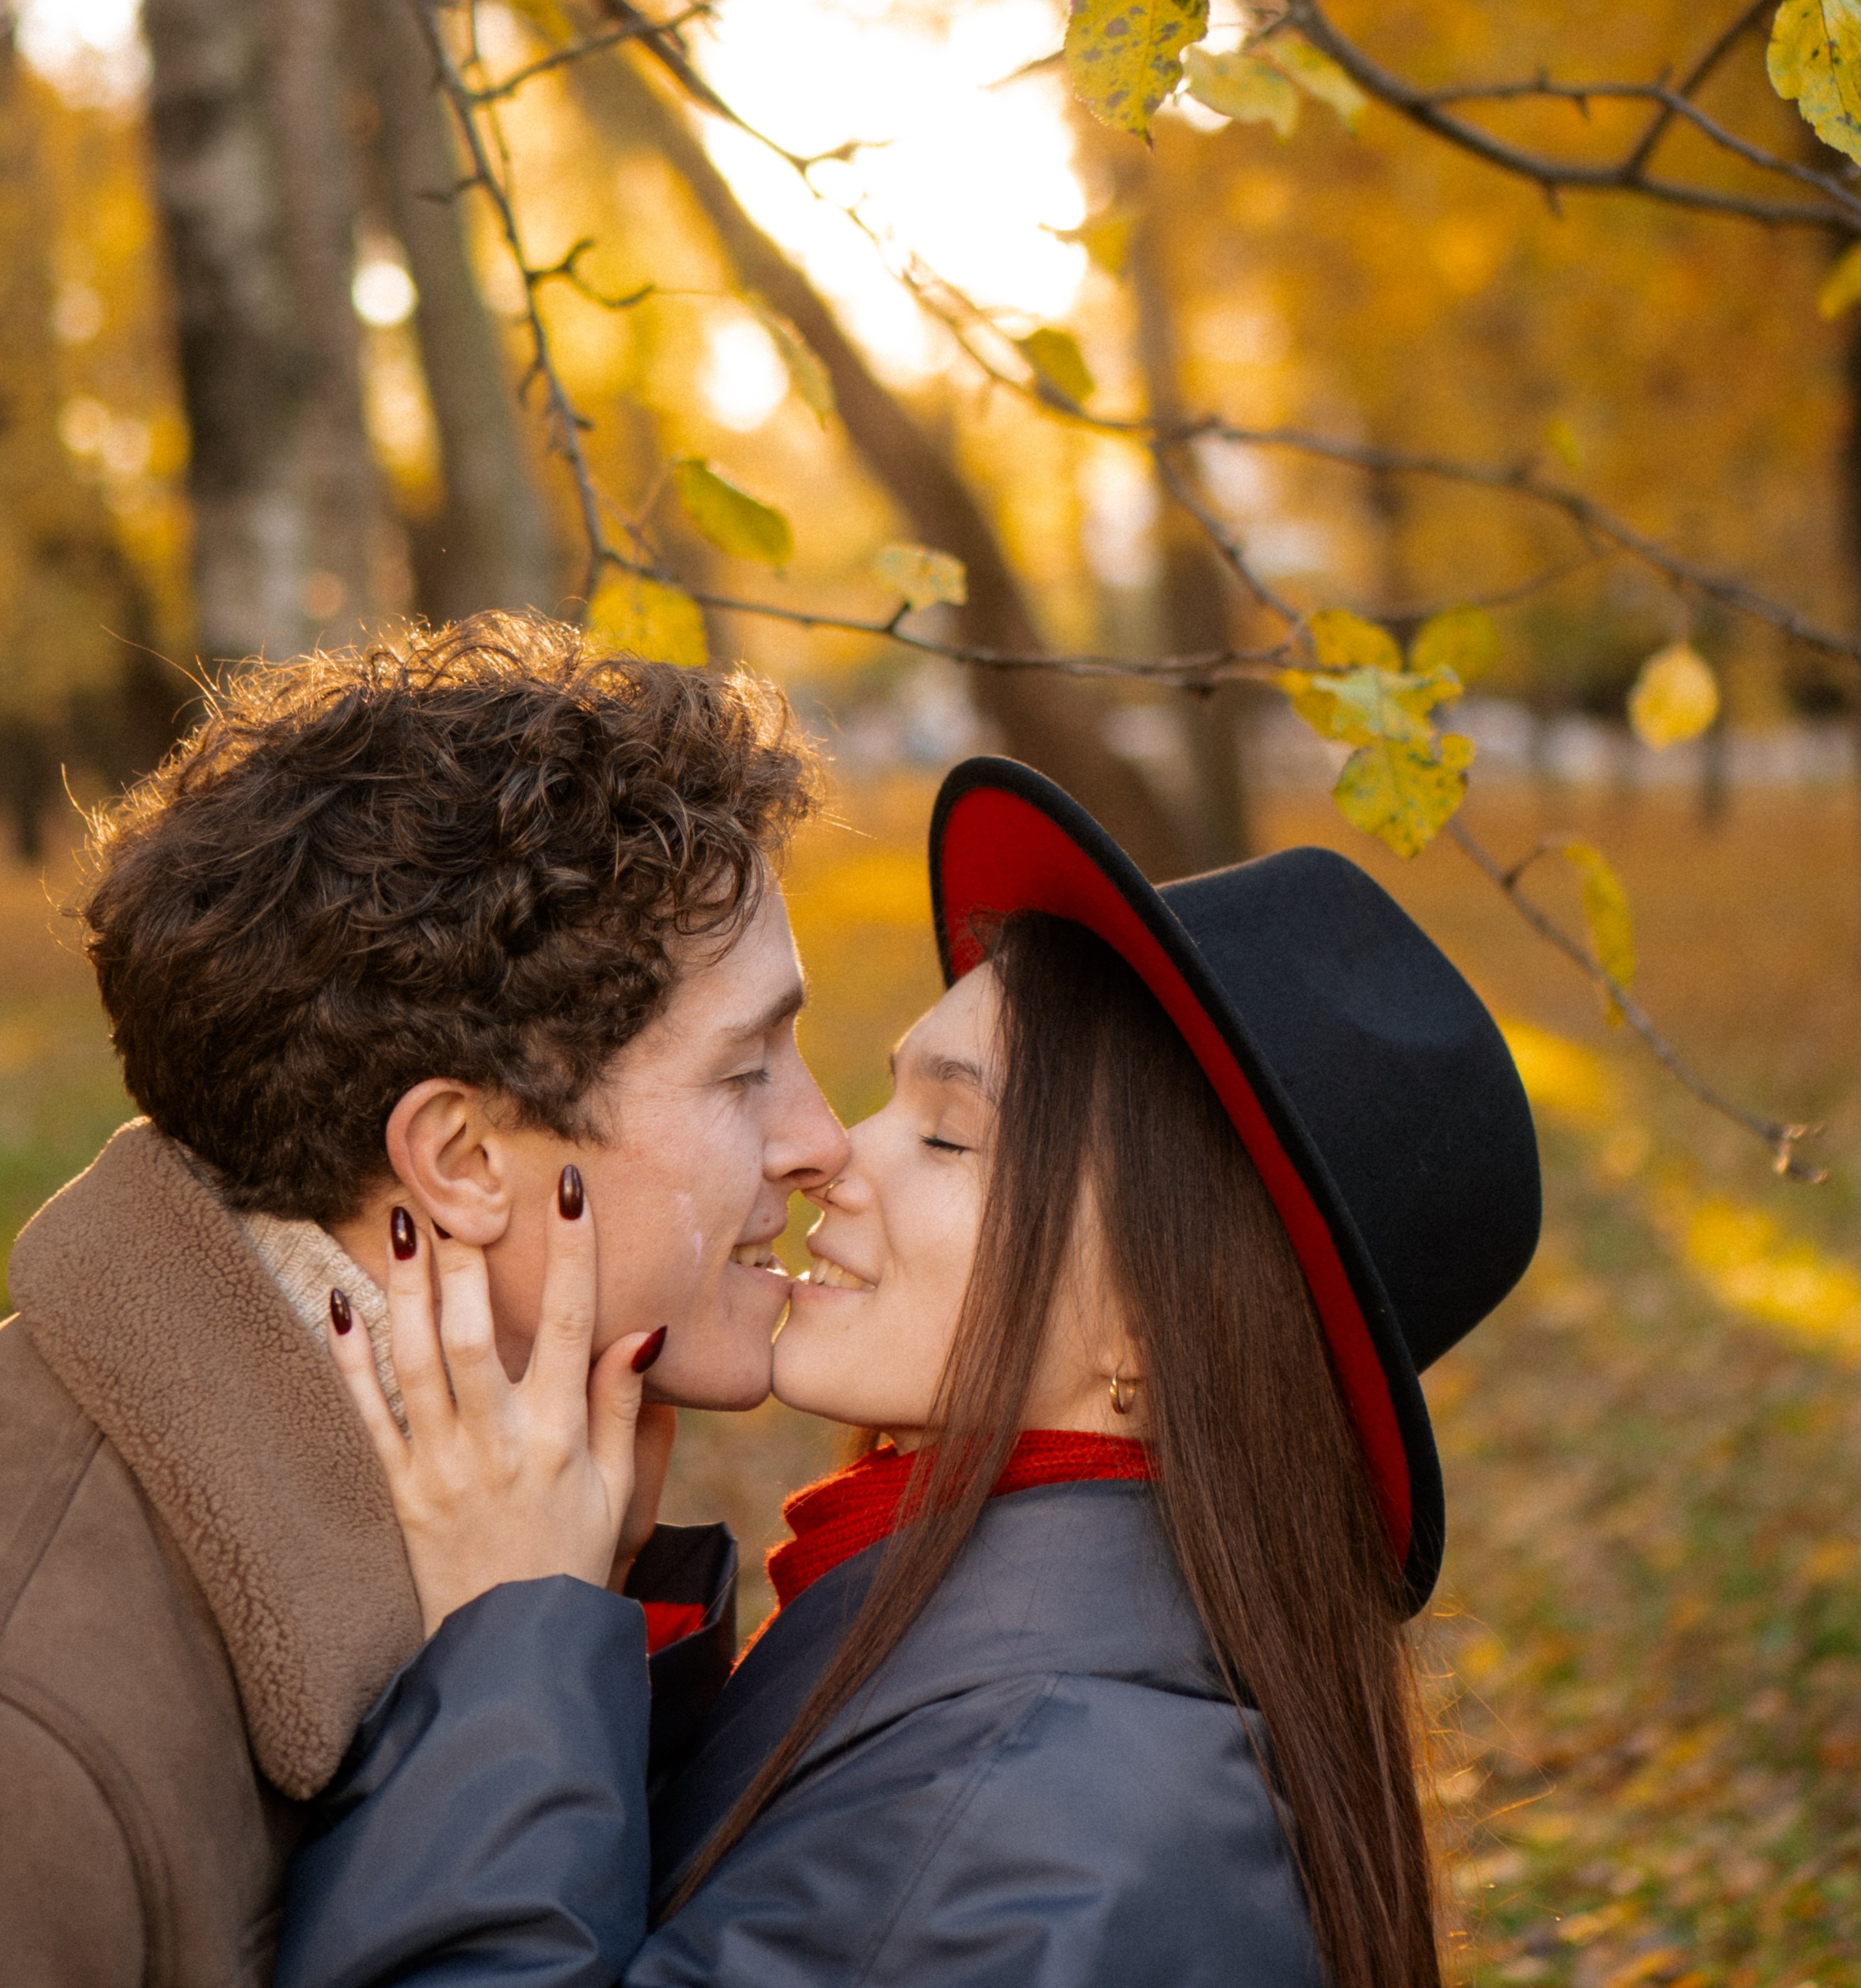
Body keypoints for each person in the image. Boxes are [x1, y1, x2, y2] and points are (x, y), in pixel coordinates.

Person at [276, 754, 1543, 1988]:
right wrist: (595, 1621)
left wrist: (509, 1650)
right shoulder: (1000, 1679)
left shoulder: (1036, 1820)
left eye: (948, 1135)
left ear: (1151, 1339)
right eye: (890, 1097)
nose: (831, 1151)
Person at [0, 612, 848, 1988]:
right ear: (458, 1161)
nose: (827, 1144)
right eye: (747, 1071)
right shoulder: (41, 1726)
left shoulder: (528, 1519)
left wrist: (581, 1637)